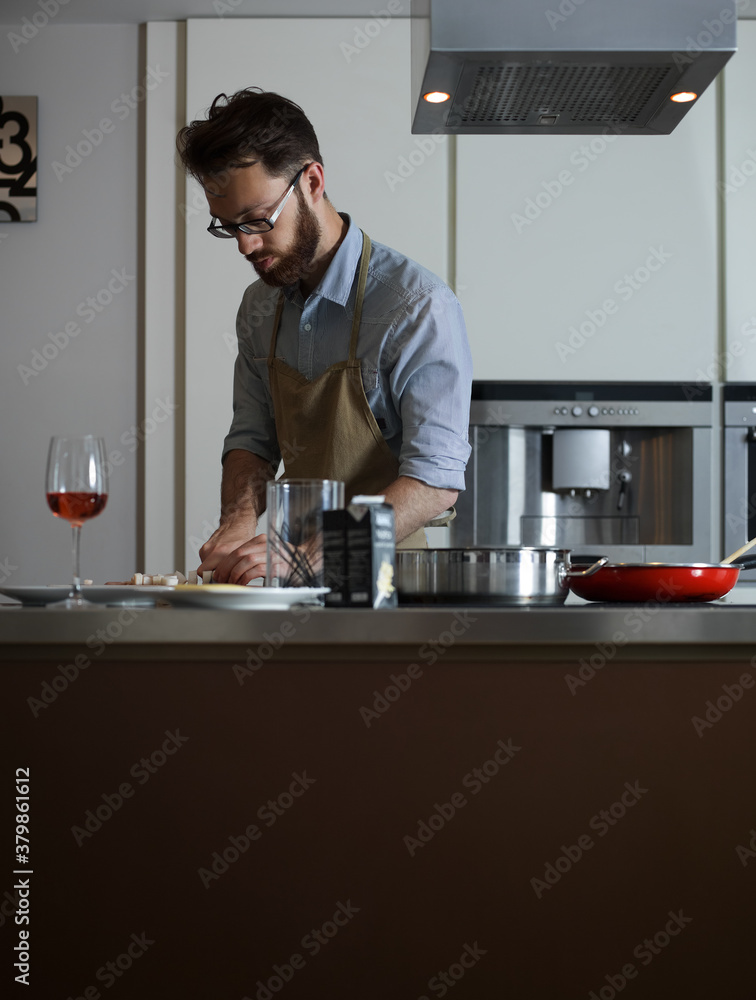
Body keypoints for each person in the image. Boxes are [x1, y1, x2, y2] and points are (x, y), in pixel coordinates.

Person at [176, 88, 473, 584]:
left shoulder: (416, 305)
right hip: (290, 583)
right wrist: (238, 520)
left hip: (393, 583)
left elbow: (434, 482)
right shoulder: (258, 306)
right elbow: (252, 439)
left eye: (257, 220)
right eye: (229, 228)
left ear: (311, 181)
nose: (246, 245)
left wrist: (312, 552)